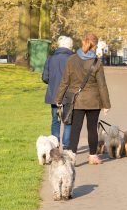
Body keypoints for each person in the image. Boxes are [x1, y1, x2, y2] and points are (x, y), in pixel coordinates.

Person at [55, 33, 111, 165]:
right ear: (95, 45)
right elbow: (102, 85)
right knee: (92, 129)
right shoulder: (97, 62)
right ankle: (93, 156)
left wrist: (59, 98)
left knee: (76, 128)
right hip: (93, 101)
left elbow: (64, 81)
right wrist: (106, 104)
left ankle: (72, 156)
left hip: (76, 100)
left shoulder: (72, 59)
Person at [42, 36, 74, 148]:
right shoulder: (73, 59)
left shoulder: (50, 59)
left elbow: (45, 78)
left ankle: (55, 145)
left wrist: (53, 82)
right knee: (68, 121)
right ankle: (66, 146)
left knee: (55, 121)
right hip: (69, 95)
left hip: (54, 95)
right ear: (70, 46)